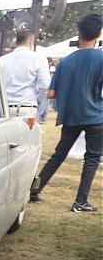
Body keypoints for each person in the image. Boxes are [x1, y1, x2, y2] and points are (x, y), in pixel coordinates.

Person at [30, 14, 103, 212]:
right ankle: (80, 200)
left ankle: (35, 190)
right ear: (98, 35)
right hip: (96, 115)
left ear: (79, 34)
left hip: (71, 115)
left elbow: (51, 92)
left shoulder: (65, 62)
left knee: (59, 154)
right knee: (92, 159)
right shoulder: (101, 58)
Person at [0, 29, 50, 120]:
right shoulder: (39, 59)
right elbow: (45, 85)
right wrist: (39, 100)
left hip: (5, 107)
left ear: (17, 42)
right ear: (31, 41)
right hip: (27, 107)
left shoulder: (1, 60)